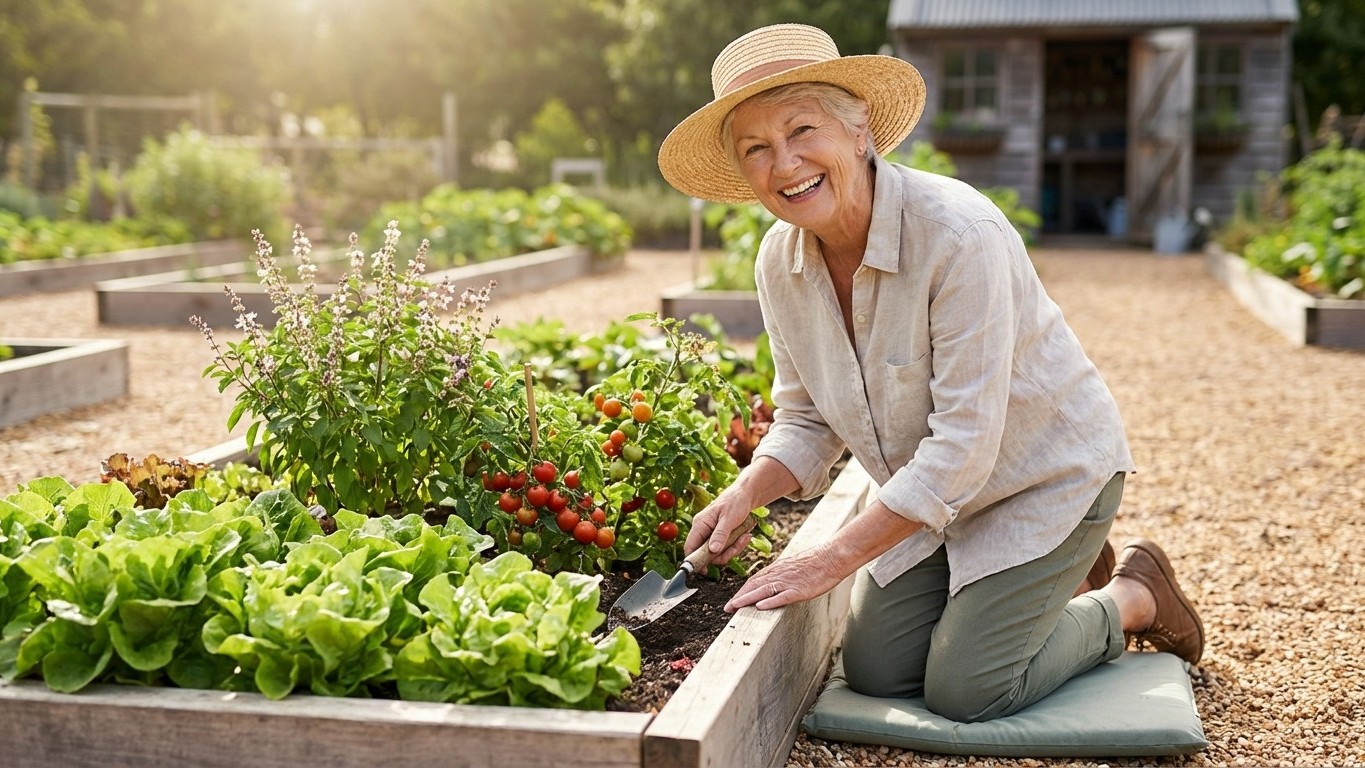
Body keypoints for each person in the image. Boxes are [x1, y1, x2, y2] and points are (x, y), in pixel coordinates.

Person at [658, 23, 1204, 723]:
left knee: (968, 689)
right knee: (877, 671)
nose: (785, 163)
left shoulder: (957, 235)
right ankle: (1031, 590)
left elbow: (965, 444)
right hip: (931, 495)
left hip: (1040, 477)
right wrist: (745, 494)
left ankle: (1132, 595)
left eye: (802, 130)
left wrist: (829, 558)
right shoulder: (778, 262)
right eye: (755, 148)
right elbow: (805, 419)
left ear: (859, 130)